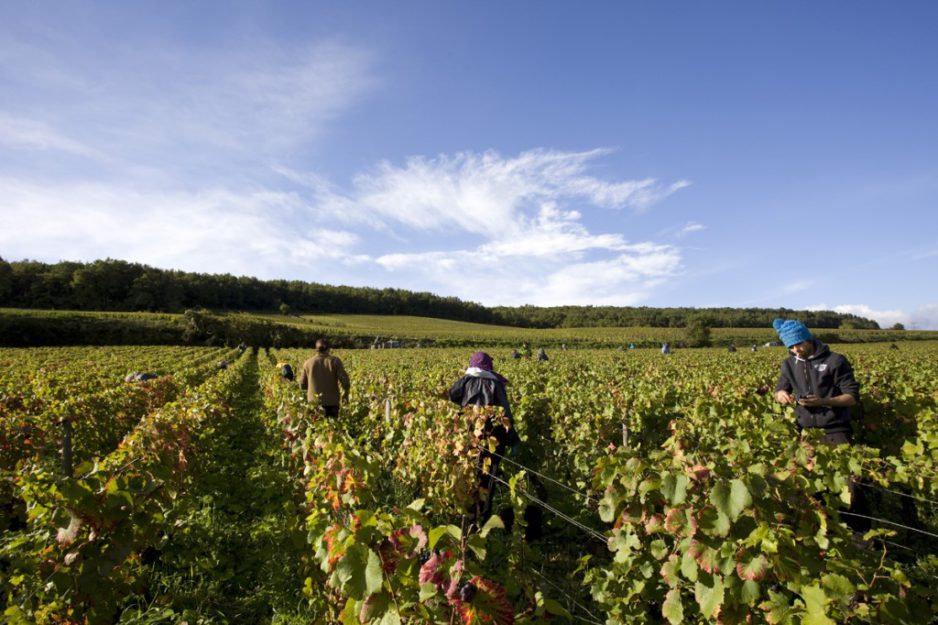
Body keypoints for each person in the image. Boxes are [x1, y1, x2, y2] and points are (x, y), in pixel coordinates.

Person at [449, 352, 520, 521]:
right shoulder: (495, 383)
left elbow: (452, 396)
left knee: (468, 472)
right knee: (488, 477)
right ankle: (482, 517)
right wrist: (513, 439)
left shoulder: (465, 381)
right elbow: (506, 414)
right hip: (493, 438)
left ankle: (466, 514)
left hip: (469, 436)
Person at [772, 319, 859, 446]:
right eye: (791, 347)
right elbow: (779, 391)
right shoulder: (788, 364)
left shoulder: (835, 360)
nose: (796, 350)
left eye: (798, 343)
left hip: (835, 429)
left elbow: (852, 398)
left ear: (808, 339)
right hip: (804, 431)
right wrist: (781, 395)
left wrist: (823, 401)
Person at [298, 339, 350, 418]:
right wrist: (345, 394)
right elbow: (346, 383)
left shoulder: (308, 363)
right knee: (332, 425)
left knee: (316, 425)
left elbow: (302, 385)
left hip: (313, 404)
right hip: (332, 403)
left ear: (316, 349)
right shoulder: (335, 361)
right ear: (329, 349)